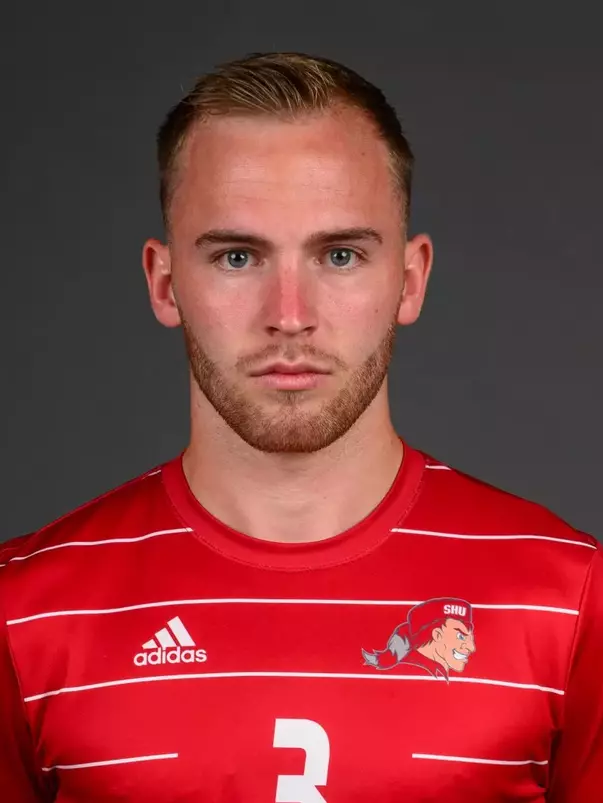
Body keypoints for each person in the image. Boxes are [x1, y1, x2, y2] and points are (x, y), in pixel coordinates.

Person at [0, 51, 601, 803]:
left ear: (409, 280)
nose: (289, 315)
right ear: (165, 283)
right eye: (238, 256)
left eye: (340, 255)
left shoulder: (568, 600)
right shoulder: (25, 610)